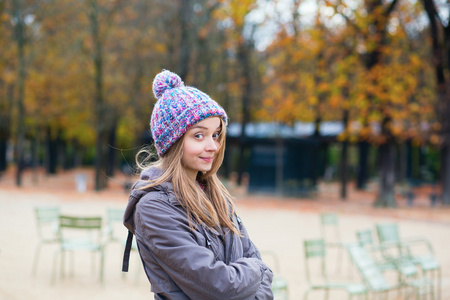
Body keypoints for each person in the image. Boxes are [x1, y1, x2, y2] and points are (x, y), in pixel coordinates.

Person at [122, 70, 274, 299]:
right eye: (199, 136)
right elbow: (220, 287)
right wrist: (259, 269)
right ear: (173, 142)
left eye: (216, 135)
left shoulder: (217, 196)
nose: (213, 146)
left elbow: (255, 270)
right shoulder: (154, 207)